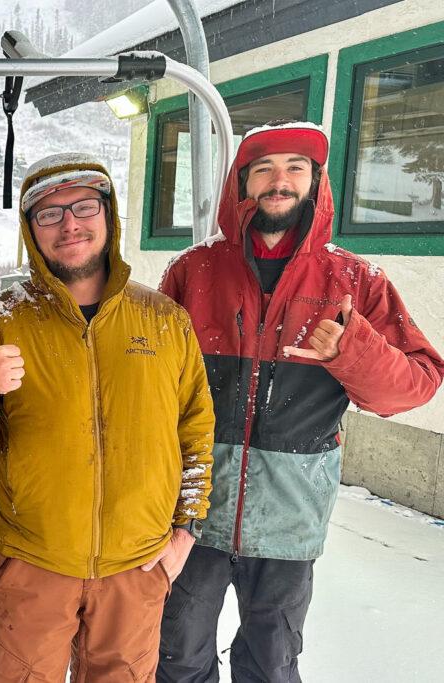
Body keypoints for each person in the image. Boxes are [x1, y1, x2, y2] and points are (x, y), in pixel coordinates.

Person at [158, 120, 444, 682]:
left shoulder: (355, 281)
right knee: (177, 656)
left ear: (316, 181)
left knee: (272, 663)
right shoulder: (194, 272)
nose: (278, 181)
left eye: (295, 168)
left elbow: (417, 384)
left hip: (289, 521)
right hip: (193, 513)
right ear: (241, 186)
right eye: (262, 169)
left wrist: (352, 350)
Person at [0, 152, 215, 682]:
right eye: (49, 214)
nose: (69, 225)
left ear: (108, 216)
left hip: (138, 565)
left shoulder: (163, 320)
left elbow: (194, 432)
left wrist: (187, 532)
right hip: (34, 564)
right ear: (30, 231)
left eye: (83, 207)